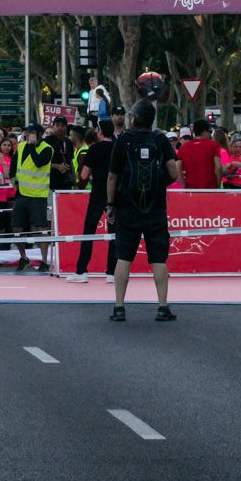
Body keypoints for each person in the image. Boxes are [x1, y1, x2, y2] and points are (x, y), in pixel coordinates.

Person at [106, 102, 180, 323]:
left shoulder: (124, 141)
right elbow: (173, 173)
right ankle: (162, 306)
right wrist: (158, 185)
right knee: (159, 258)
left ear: (134, 118)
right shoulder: (161, 140)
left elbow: (112, 176)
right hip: (155, 209)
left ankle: (119, 307)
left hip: (127, 208)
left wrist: (110, 205)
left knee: (123, 257)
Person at [70, 119, 117, 279]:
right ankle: (112, 272)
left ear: (101, 132)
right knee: (114, 234)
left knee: (89, 231)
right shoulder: (119, 148)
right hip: (115, 195)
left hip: (97, 194)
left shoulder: (94, 149)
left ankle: (81, 270)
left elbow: (84, 175)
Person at [11, 124, 55, 271]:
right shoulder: (22, 146)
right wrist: (12, 177)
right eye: (27, 132)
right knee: (16, 226)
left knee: (41, 227)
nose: (28, 134)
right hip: (21, 193)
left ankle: (44, 261)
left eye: (32, 132)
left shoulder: (47, 149)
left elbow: (38, 162)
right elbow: (14, 162)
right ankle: (23, 258)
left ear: (40, 134)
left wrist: (32, 145)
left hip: (38, 195)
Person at [177, 119, 222, 189]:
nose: (210, 134)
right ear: (204, 132)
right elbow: (218, 167)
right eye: (209, 131)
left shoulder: (183, 148)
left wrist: (184, 185)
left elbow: (177, 168)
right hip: (210, 189)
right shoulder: (213, 145)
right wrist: (217, 185)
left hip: (191, 190)